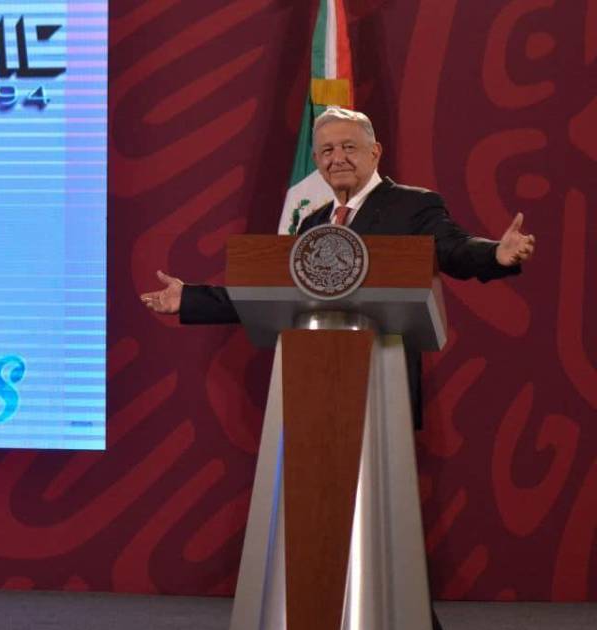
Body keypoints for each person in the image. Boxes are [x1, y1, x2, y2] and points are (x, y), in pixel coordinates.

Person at [140, 106, 536, 630]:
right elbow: (274, 289)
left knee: (378, 520)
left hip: (379, 386)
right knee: (320, 517)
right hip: (311, 388)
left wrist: (496, 255)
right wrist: (190, 298)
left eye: (349, 147)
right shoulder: (313, 222)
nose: (337, 158)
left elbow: (454, 249)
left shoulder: (412, 205)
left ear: (375, 152)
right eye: (326, 150)